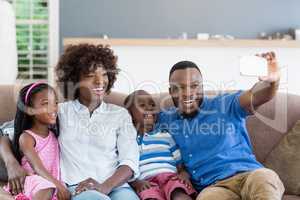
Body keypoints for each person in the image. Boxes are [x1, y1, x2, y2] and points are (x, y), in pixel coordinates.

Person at [0, 44, 140, 200]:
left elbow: (130, 161)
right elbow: (8, 132)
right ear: (74, 80)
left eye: (104, 74)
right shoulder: (59, 111)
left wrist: (104, 187)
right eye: (90, 75)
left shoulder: (120, 114)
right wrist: (11, 164)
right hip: (77, 187)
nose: (100, 81)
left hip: (117, 187)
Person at [158, 52, 285, 200]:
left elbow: (258, 95)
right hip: (214, 188)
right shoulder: (165, 120)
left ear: (202, 88)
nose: (188, 93)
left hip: (250, 175)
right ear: (170, 92)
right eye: (179, 88)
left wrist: (272, 82)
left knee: (265, 179)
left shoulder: (224, 104)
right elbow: (136, 122)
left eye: (194, 86)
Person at [125, 90, 196, 200]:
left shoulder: (165, 135)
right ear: (129, 114)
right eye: (142, 105)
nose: (149, 108)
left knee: (179, 195)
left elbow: (180, 166)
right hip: (147, 183)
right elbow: (125, 168)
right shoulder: (128, 140)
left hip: (170, 178)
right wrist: (136, 183)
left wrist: (183, 175)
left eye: (152, 105)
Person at [4, 82, 69, 200]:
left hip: (50, 181)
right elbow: (37, 167)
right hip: (32, 181)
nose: (53, 108)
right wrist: (57, 184)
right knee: (47, 187)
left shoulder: (54, 134)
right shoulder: (27, 137)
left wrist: (58, 184)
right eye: (45, 104)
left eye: (55, 103)